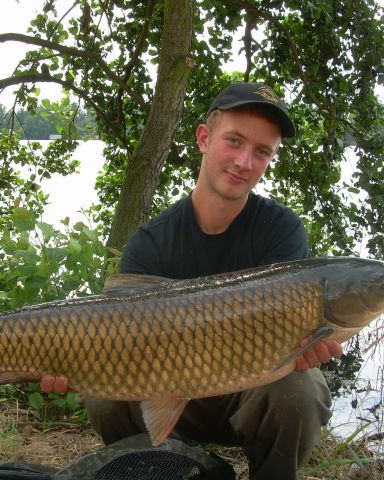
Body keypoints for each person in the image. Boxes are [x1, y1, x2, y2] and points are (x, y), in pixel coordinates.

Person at [41, 82, 343, 479]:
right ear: (204, 138)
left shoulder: (280, 229)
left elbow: (293, 343)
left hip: (246, 395)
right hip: (164, 391)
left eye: (261, 151)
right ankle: (145, 469)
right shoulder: (152, 240)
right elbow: (110, 331)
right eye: (234, 141)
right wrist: (65, 360)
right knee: (102, 395)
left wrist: (305, 347)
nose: (244, 161)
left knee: (302, 389)